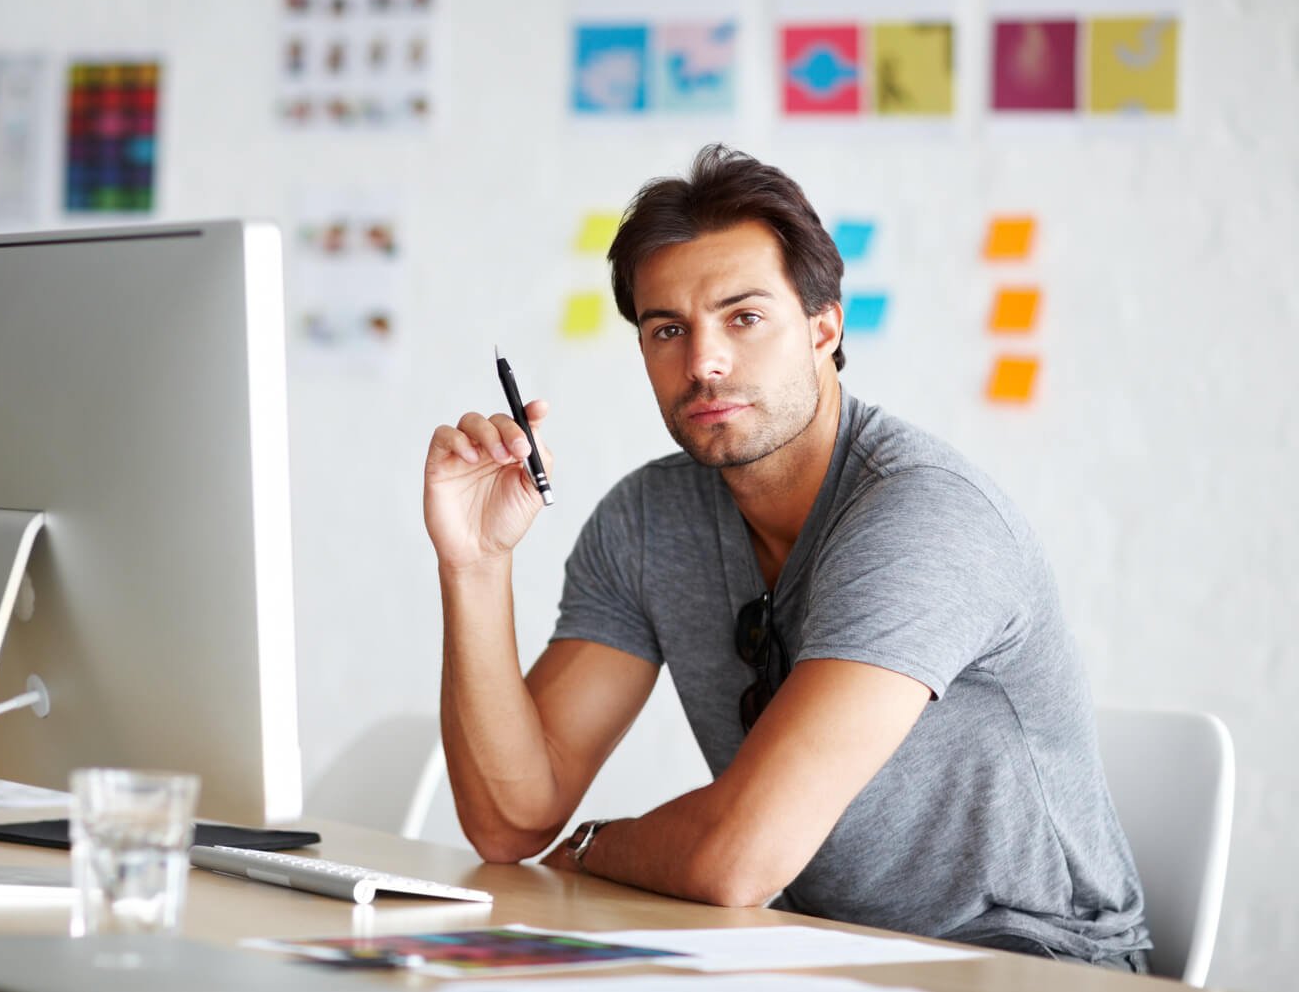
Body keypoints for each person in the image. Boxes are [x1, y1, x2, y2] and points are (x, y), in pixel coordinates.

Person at [421, 145, 1151, 971]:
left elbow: (739, 859)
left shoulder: (922, 516)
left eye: (743, 317)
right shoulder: (648, 521)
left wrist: (593, 847)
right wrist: (474, 564)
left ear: (823, 327)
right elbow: (510, 819)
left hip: (1033, 964)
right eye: (668, 329)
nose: (703, 361)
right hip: (819, 955)